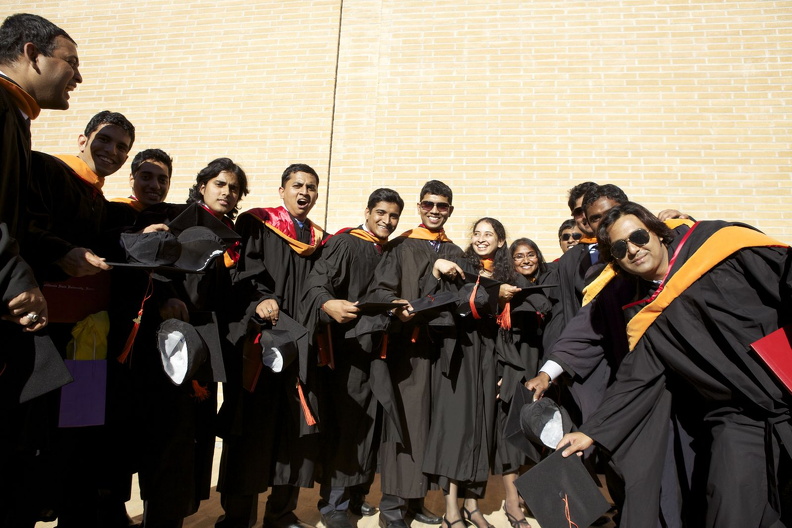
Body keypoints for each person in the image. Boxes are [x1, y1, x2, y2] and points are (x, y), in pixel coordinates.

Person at [558, 202, 792, 528]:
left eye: (639, 237)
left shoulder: (719, 246)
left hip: (786, 388)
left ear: (657, 232)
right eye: (621, 248)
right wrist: (591, 432)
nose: (633, 250)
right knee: (730, 508)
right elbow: (635, 381)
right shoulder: (645, 315)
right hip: (737, 417)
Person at [126, 157, 249, 528]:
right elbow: (148, 266)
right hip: (170, 343)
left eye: (234, 188)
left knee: (194, 435)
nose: (227, 192)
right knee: (169, 437)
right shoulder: (173, 218)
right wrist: (165, 296)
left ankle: (175, 514)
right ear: (202, 186)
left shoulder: (232, 237)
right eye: (220, 184)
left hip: (206, 346)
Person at [0, 14, 81, 527]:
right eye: (71, 62)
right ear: (32, 53)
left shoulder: (17, 117)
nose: (78, 77)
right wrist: (15, 275)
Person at [216, 163, 325, 528]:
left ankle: (281, 513)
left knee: (293, 429)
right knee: (251, 428)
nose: (304, 193)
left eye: (311, 187)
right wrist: (261, 298)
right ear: (282, 191)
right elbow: (242, 273)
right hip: (261, 342)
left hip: (300, 346)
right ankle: (237, 517)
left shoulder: (318, 239)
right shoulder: (257, 223)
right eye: (297, 185)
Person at [298, 188, 405, 528]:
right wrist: (327, 303)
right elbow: (317, 284)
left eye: (393, 216)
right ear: (368, 211)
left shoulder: (392, 251)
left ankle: (358, 496)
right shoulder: (346, 243)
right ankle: (334, 505)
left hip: (380, 352)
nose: (386, 220)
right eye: (381, 213)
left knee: (372, 425)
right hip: (348, 352)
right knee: (347, 426)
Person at [364, 180, 462, 528]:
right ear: (420, 207)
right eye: (428, 204)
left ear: (450, 210)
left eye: (442, 206)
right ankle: (392, 508)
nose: (434, 211)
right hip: (409, 350)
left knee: (431, 427)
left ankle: (416, 501)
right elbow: (381, 290)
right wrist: (396, 307)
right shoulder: (401, 246)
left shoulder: (455, 251)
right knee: (405, 427)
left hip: (443, 353)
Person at [423, 217, 521, 528]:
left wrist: (504, 366)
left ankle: (471, 505)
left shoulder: (506, 275)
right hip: (460, 353)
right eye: (477, 233)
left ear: (500, 241)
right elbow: (448, 302)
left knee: (482, 427)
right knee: (456, 428)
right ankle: (451, 508)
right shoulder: (460, 267)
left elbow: (507, 330)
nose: (481, 239)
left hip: (488, 357)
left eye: (488, 234)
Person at [493, 238, 553, 528]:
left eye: (531, 254)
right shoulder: (510, 290)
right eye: (518, 256)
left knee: (537, 435)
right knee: (511, 435)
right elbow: (500, 335)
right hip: (516, 367)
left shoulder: (546, 284)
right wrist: (503, 372)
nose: (526, 260)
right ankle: (511, 501)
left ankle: (531, 496)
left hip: (542, 368)